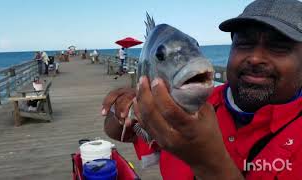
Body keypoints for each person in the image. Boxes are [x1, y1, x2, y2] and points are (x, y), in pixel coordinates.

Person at [101, 0, 302, 179]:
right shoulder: (184, 102)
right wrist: (122, 110)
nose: (256, 58)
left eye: (279, 47)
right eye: (244, 43)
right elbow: (119, 133)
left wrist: (207, 163)